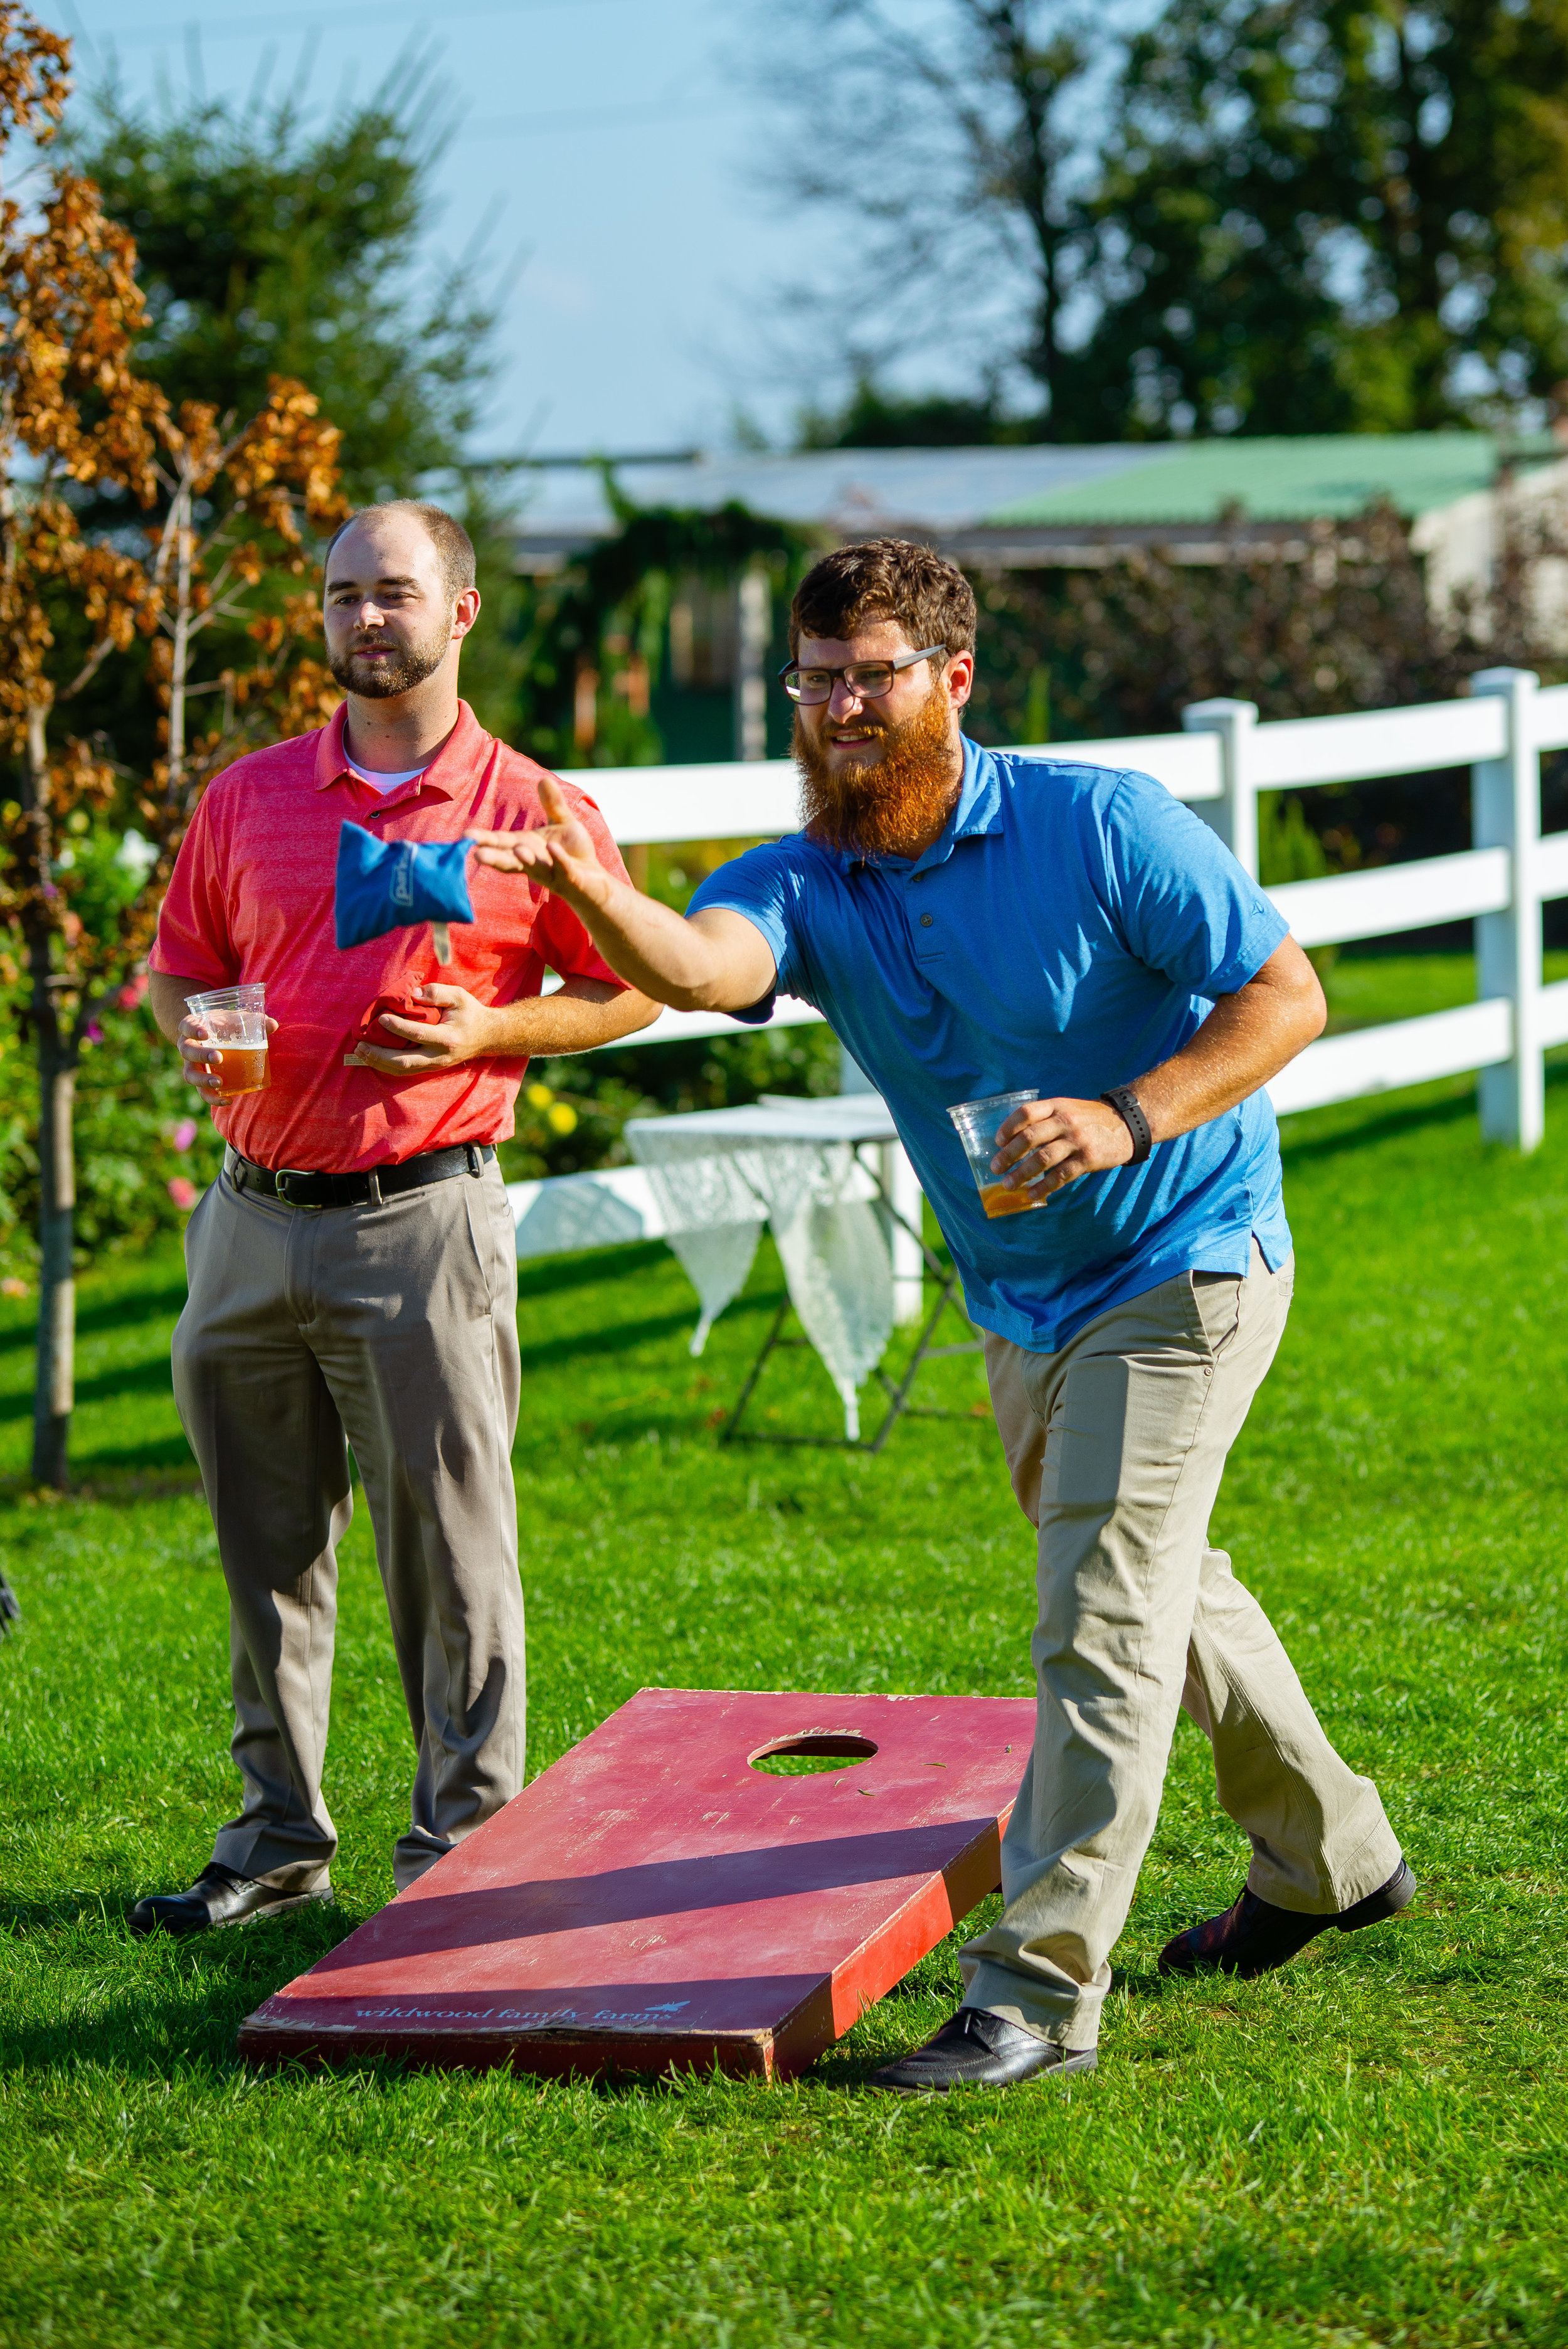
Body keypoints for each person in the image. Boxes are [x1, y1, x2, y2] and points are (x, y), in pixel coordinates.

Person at [468, 535, 1415, 2090]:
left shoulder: (1098, 826)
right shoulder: (808, 874)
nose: (840, 708)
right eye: (816, 679)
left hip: (1188, 1253)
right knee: (1152, 1579)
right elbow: (706, 970)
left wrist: (1127, 1114)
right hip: (1022, 1298)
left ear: (951, 679)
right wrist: (593, 888)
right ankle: (1331, 1855)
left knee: (1099, 1616)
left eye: (872, 676)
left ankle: (1034, 1998)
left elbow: (1285, 995)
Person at [130, 500, 656, 1937]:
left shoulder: (531, 810)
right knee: (264, 1548)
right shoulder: (246, 798)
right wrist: (196, 1032)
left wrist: (494, 1025)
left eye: (396, 593)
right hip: (246, 1222)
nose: (368, 617)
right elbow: (181, 962)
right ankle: (275, 1837)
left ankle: (462, 1856)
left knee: (450, 1554)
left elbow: (629, 984)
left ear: (461, 612)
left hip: (420, 1224)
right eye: (344, 593)